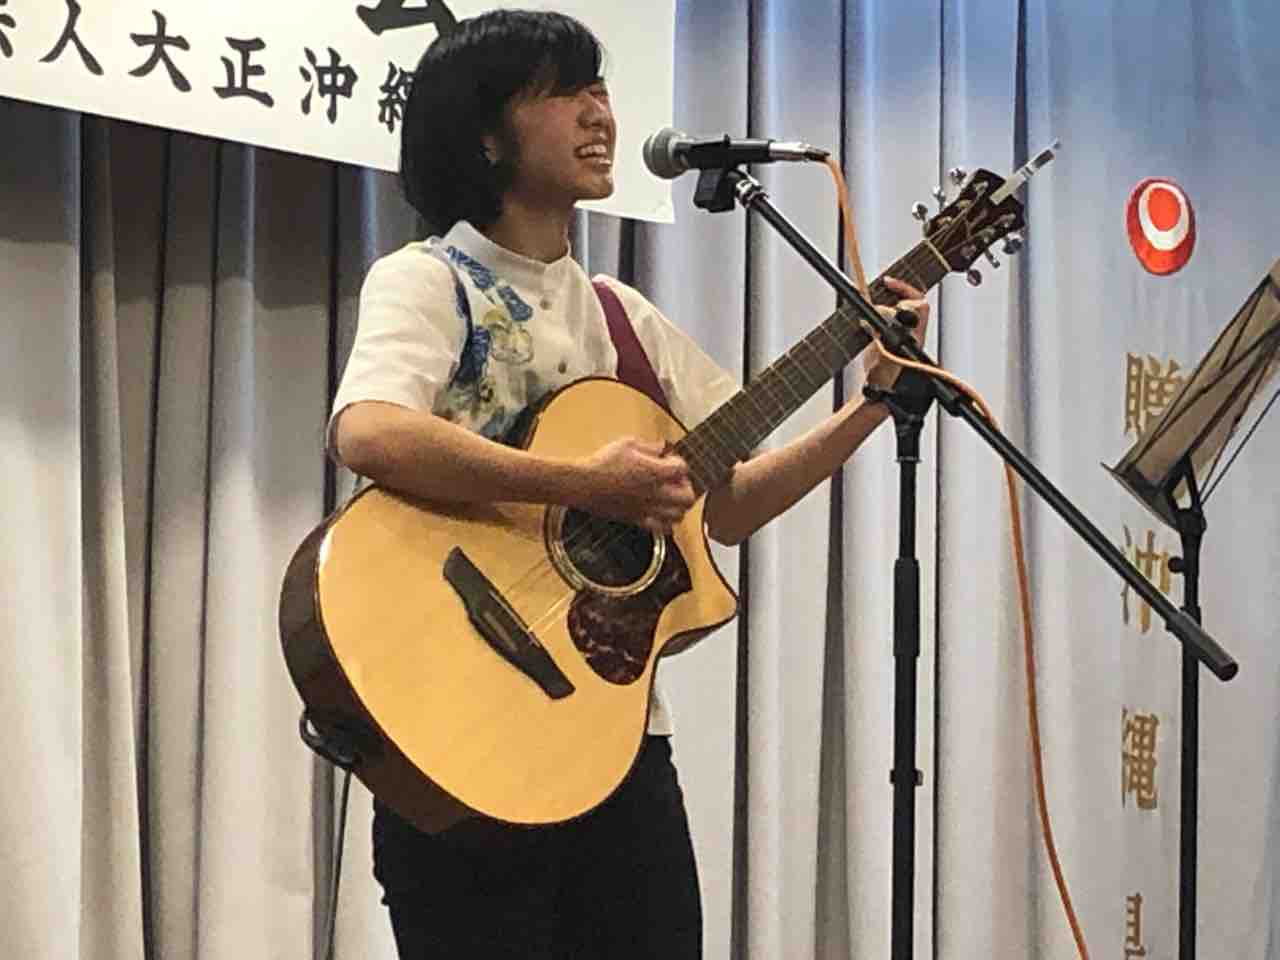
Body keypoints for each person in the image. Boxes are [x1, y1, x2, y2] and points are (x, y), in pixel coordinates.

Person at [328, 9, 929, 958]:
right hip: (462, 729)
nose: (599, 112)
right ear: (485, 136)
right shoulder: (428, 279)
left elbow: (731, 503)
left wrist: (872, 405)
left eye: (600, 88)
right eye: (564, 91)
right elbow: (368, 431)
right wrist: (581, 481)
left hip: (615, 739)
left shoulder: (623, 317)